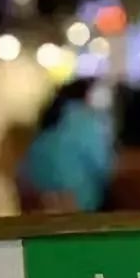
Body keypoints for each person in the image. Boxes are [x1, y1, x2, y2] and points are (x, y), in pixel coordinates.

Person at [19, 78, 113, 212]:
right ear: (88, 95)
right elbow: (104, 168)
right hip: (79, 204)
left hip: (38, 203)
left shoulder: (48, 117)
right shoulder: (87, 121)